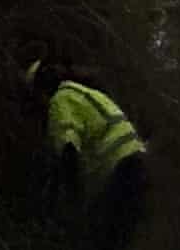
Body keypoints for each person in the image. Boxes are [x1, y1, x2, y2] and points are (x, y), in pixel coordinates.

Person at [32, 64, 148, 249]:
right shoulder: (87, 93)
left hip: (118, 168)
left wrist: (68, 194)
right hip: (138, 162)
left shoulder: (61, 100)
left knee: (102, 238)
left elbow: (68, 147)